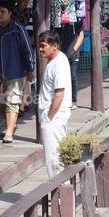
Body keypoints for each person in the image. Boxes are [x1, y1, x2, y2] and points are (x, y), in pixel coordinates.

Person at [0, 6, 35, 143]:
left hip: (15, 71)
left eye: (3, 11)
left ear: (10, 13)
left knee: (12, 102)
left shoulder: (17, 28)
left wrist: (30, 69)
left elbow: (27, 49)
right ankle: (12, 125)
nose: (0, 14)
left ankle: (9, 132)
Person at [37, 30, 72, 179]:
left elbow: (59, 93)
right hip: (54, 116)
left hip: (54, 117)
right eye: (39, 45)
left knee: (54, 157)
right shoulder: (56, 61)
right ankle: (60, 191)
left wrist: (48, 117)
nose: (40, 49)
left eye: (43, 46)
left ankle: (59, 192)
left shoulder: (59, 63)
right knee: (56, 154)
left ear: (55, 46)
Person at [59, 18, 84, 109]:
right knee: (60, 77)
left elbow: (81, 36)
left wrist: (74, 49)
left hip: (73, 54)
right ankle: (62, 99)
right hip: (60, 53)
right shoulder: (58, 17)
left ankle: (73, 100)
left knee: (72, 76)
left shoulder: (77, 18)